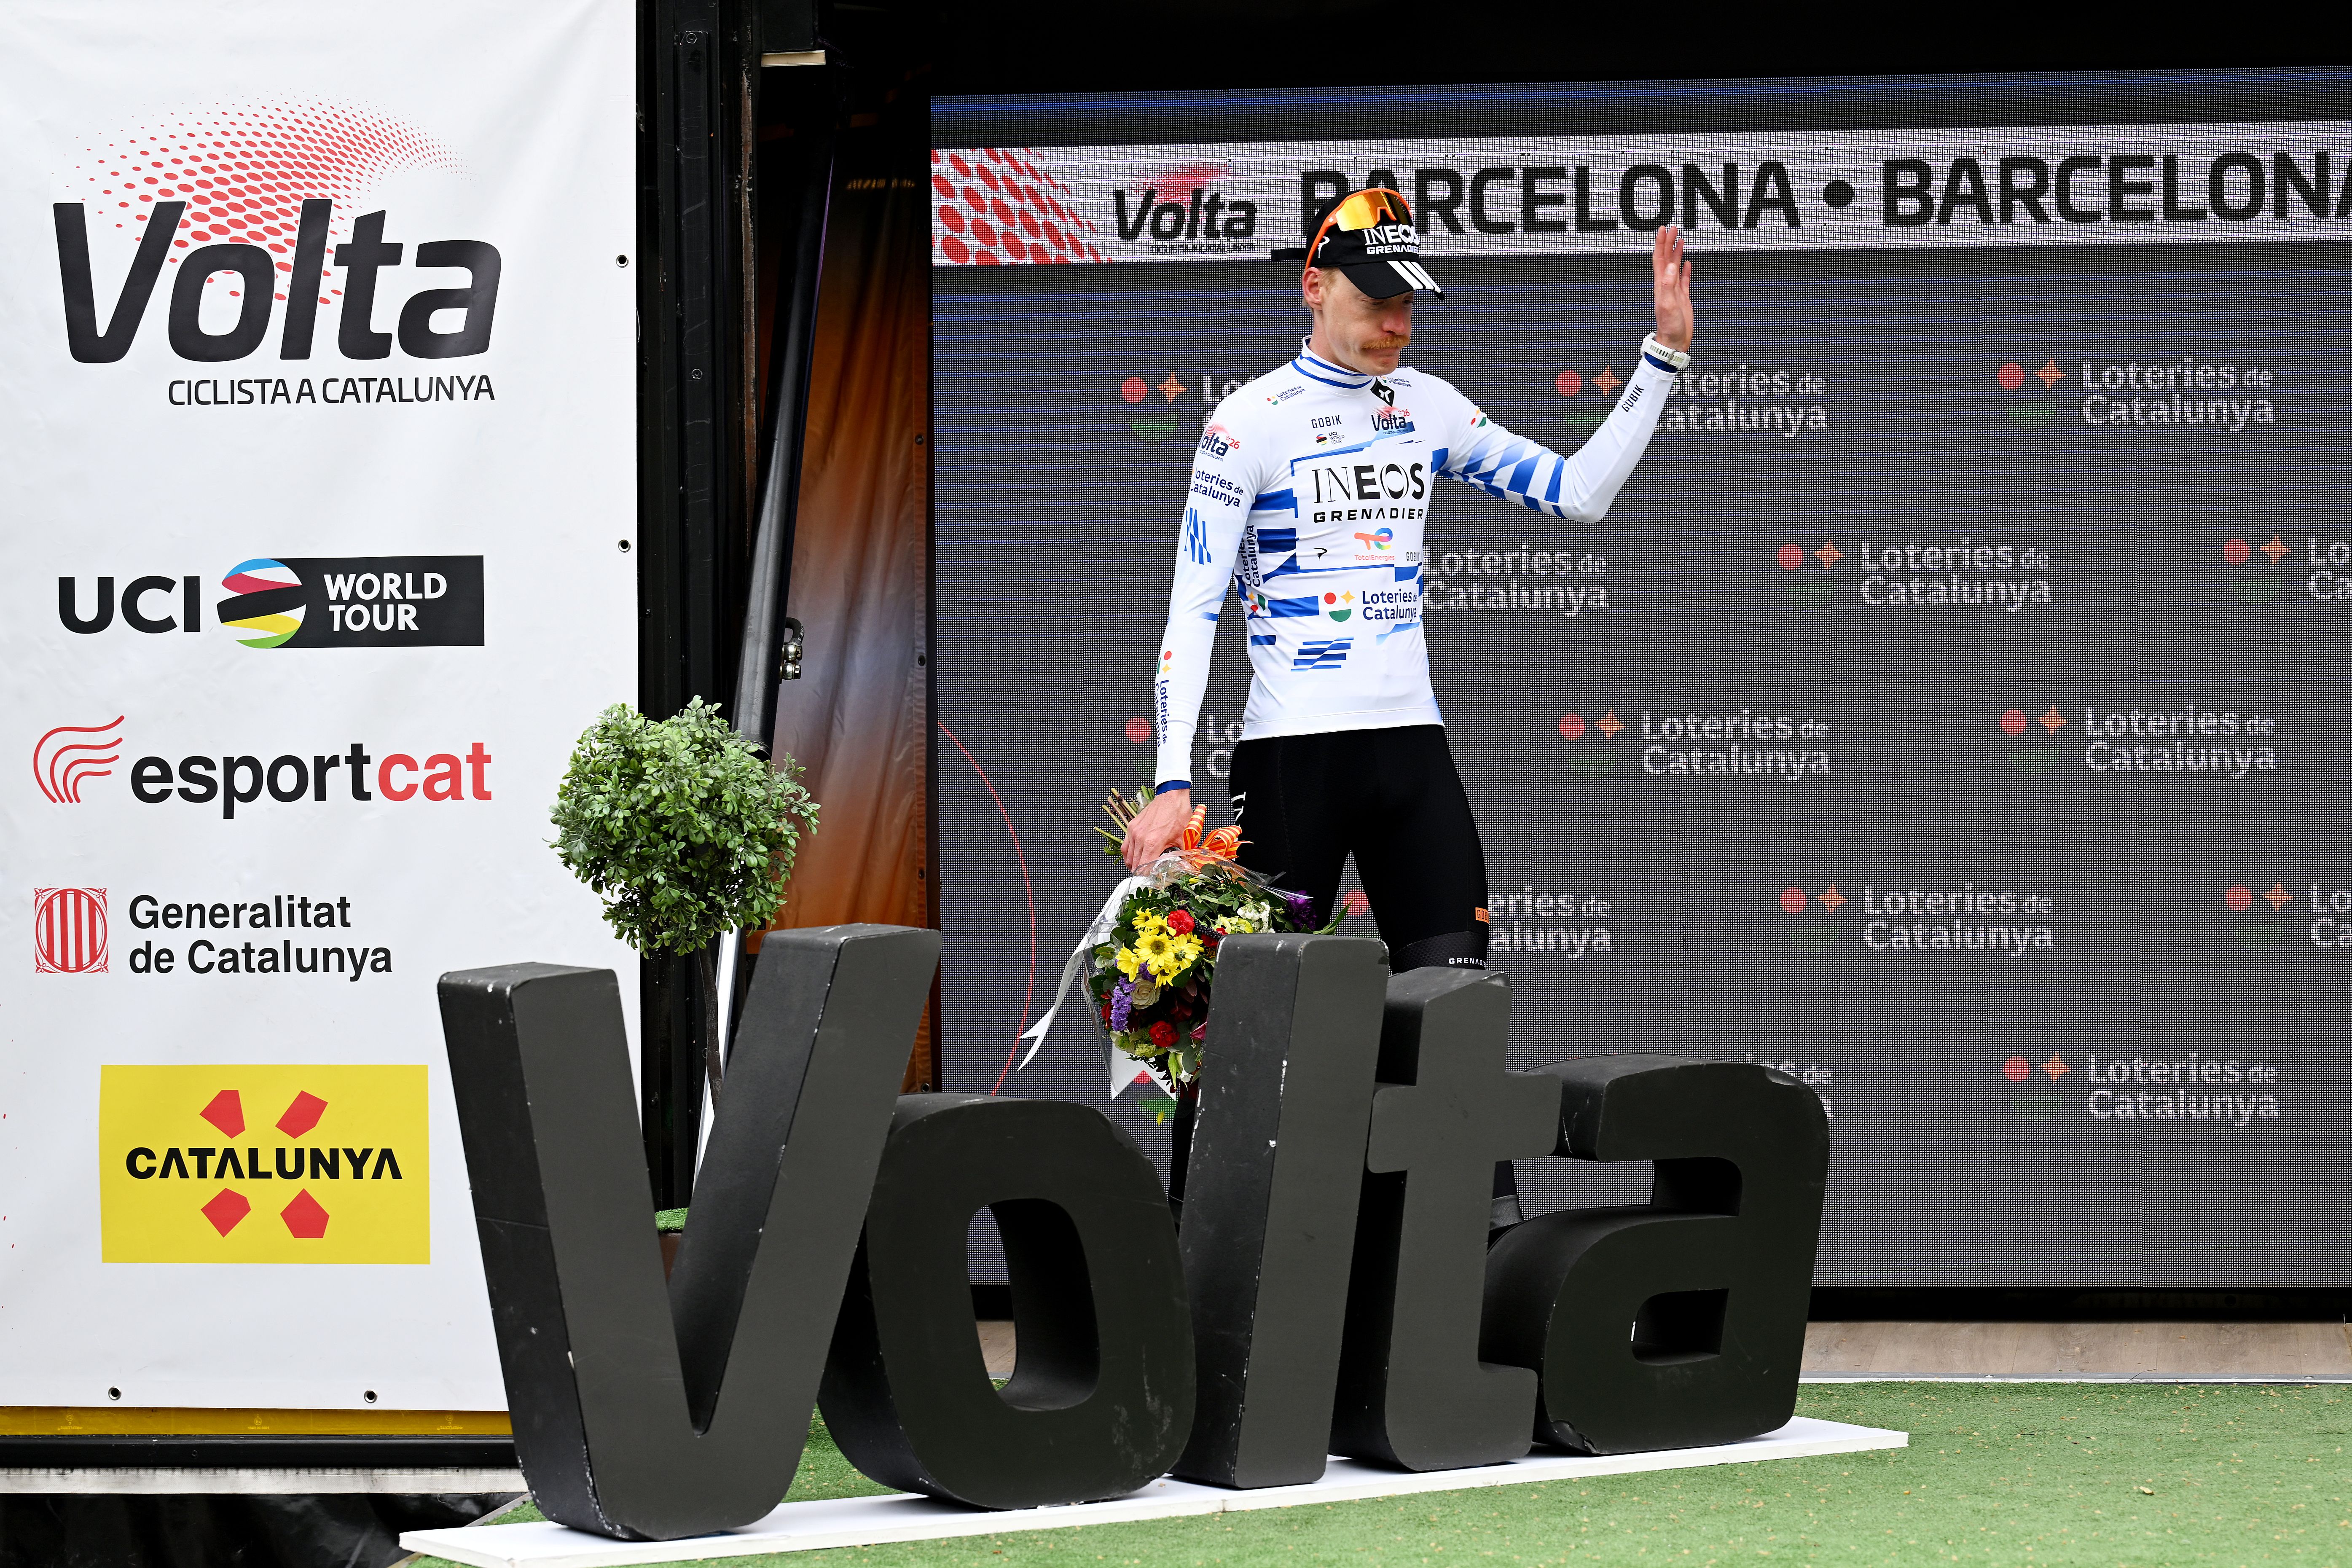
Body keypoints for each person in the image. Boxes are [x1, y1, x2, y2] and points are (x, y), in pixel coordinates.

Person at [1122, 188, 1695, 1224]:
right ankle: (1184, 1258)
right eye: (1376, 298)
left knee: (1458, 1023)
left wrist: (1661, 359)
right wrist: (1171, 778)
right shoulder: (1245, 422)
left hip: (1411, 755)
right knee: (1238, 1032)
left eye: (1409, 303)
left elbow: (1577, 492)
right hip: (1291, 763)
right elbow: (1191, 606)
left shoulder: (1429, 405)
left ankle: (1482, 1286)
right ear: (1314, 285)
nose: (1397, 321)